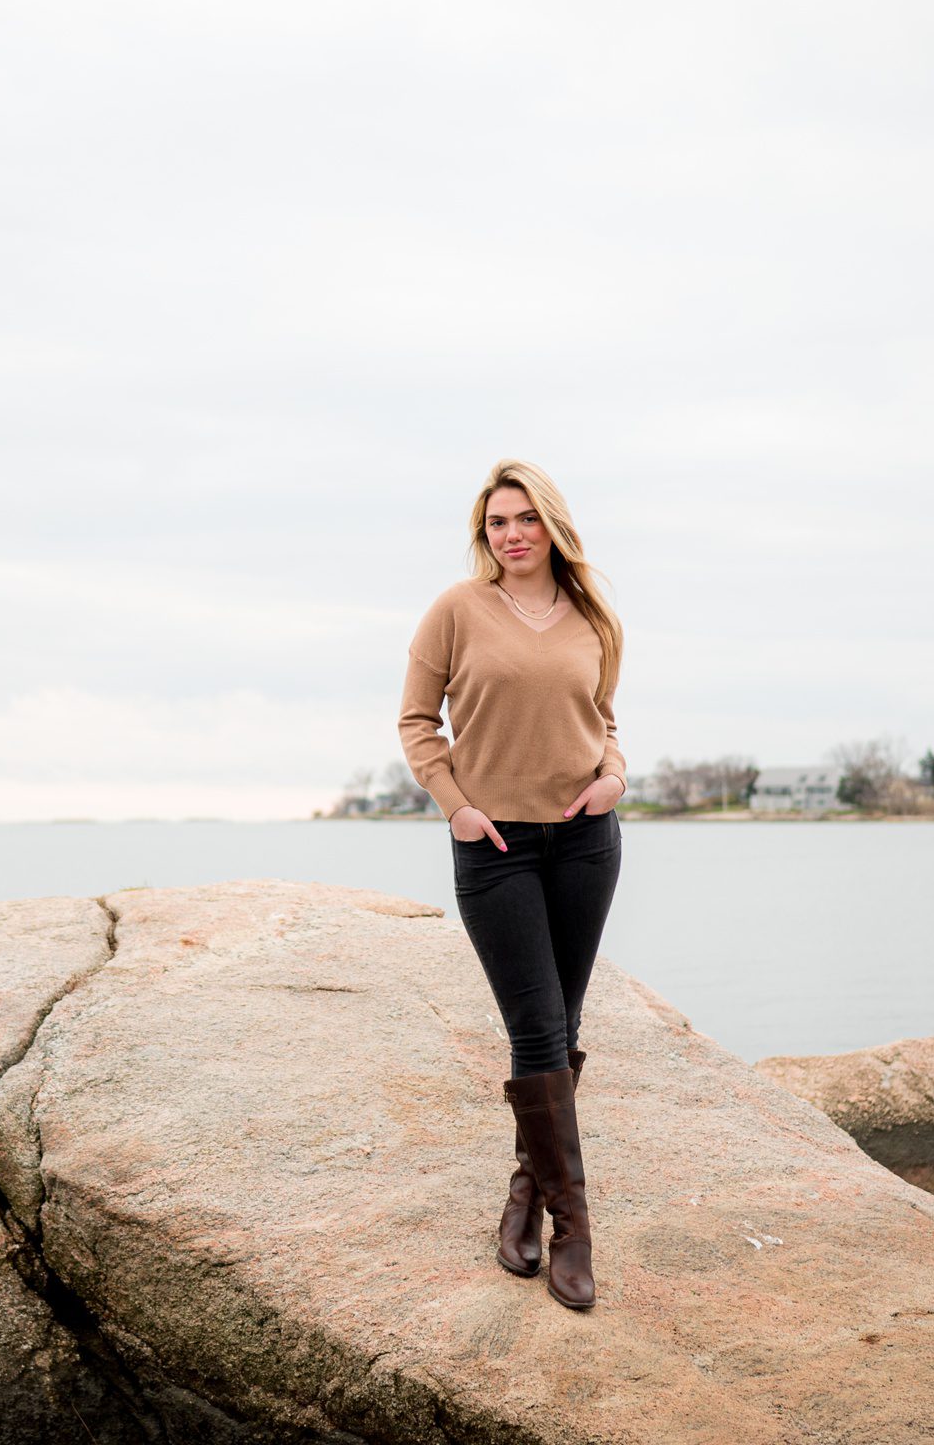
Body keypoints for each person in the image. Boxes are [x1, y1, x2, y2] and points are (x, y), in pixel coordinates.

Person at [397, 458, 625, 1310]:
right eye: (497, 522)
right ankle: (576, 1230)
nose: (512, 534)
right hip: (494, 846)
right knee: (535, 1031)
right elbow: (417, 721)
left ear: (552, 525)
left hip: (584, 842)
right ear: (483, 534)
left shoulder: (595, 618)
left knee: (561, 1029)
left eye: (525, 518)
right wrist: (454, 806)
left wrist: (615, 778)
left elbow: (602, 724)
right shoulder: (457, 612)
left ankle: (527, 1191)